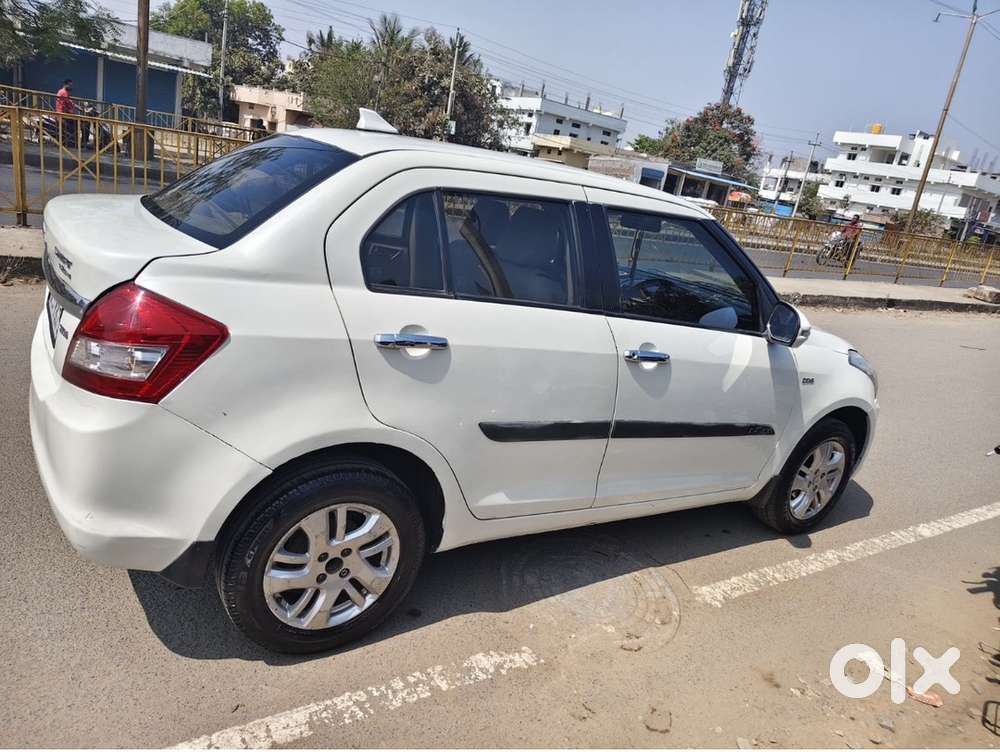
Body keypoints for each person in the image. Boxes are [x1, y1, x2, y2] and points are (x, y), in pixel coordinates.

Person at [55, 79, 76, 146]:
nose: (71, 87)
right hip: (63, 115)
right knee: (81, 124)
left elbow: (70, 102)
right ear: (65, 85)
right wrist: (73, 109)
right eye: (70, 85)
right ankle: (76, 143)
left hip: (63, 114)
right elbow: (68, 103)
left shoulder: (62, 92)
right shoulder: (63, 92)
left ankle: (72, 142)